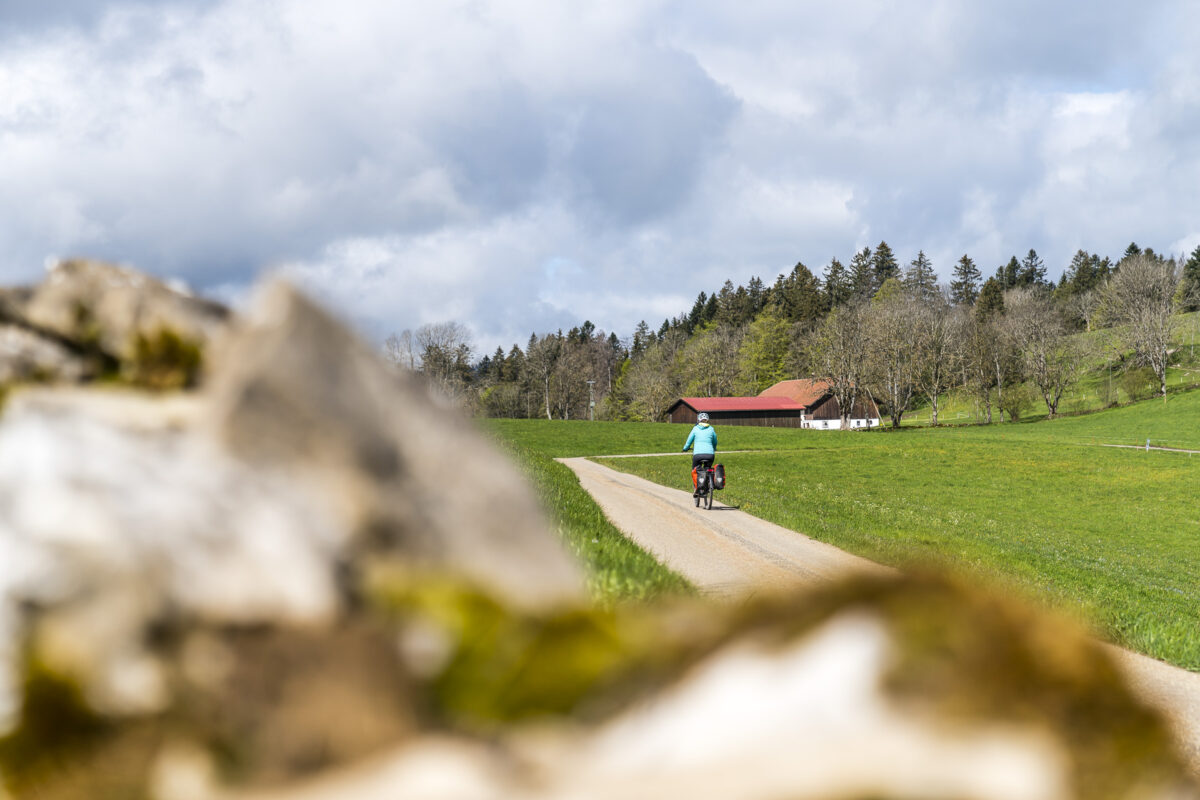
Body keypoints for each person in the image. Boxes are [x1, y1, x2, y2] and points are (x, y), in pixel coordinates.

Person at [681, 412, 717, 496]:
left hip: (698, 455)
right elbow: (715, 441)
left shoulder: (695, 429)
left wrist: (685, 448)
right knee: (708, 469)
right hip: (710, 455)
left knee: (695, 470)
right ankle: (708, 484)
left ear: (698, 420)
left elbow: (689, 441)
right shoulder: (711, 429)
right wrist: (714, 448)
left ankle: (696, 488)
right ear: (707, 420)